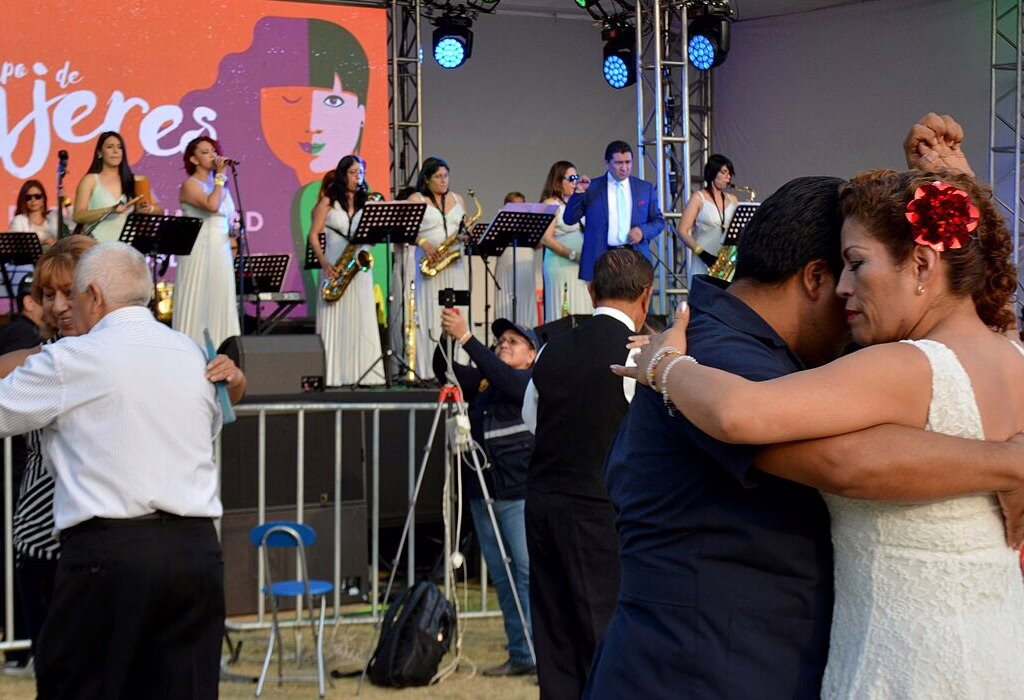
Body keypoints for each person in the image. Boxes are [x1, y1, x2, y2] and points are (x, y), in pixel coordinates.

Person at [629, 167, 1024, 698]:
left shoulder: (906, 366)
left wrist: (666, 366)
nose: (844, 287)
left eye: (857, 265)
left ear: (923, 264)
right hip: (999, 648)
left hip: (909, 662)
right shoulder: (1011, 354)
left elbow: (742, 414)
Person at [0, 241, 244, 699]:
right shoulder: (192, 354)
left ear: (93, 296)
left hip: (108, 555)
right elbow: (213, 423)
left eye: (73, 296)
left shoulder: (72, 359)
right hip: (195, 553)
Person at [521, 249, 652, 699]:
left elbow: (532, 420)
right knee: (604, 633)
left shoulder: (551, 348)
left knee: (554, 636)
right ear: (647, 296)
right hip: (598, 508)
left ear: (592, 291)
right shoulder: (637, 356)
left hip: (541, 503)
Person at [433, 310, 537, 677]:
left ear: (531, 355)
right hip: (482, 492)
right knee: (503, 578)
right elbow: (445, 370)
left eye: (513, 342)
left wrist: (467, 338)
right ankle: (522, 654)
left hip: (517, 492)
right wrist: (448, 335)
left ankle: (541, 653)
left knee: (526, 574)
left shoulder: (528, 380)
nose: (504, 345)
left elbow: (505, 378)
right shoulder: (485, 381)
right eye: (500, 341)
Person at [309, 155, 384, 386]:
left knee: (360, 319)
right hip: (334, 267)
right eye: (353, 172)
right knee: (337, 320)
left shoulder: (368, 203)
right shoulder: (328, 203)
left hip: (359, 270)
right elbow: (313, 234)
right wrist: (324, 262)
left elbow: (373, 237)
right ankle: (334, 375)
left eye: (361, 172)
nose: (358, 177)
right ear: (343, 175)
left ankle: (364, 374)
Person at [562, 140, 664, 281]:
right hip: (602, 258)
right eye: (618, 163)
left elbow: (658, 221)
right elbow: (569, 219)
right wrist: (579, 193)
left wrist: (642, 231)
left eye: (628, 162)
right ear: (607, 164)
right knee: (604, 302)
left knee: (636, 301)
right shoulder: (592, 188)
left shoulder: (644, 188)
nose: (624, 168)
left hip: (635, 256)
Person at [175, 135, 241, 350]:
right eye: (205, 152)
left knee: (220, 299)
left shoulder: (219, 185)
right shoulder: (190, 185)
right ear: (193, 160)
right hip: (199, 249)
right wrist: (221, 177)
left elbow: (227, 215)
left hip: (221, 249)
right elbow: (212, 206)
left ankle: (225, 351)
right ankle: (191, 351)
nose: (213, 155)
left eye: (213, 150)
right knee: (198, 300)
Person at [409, 157, 470, 380]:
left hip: (455, 264)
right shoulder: (417, 198)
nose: (444, 181)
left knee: (457, 313)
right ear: (426, 179)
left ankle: (458, 368)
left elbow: (465, 225)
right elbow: (405, 230)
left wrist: (465, 236)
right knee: (431, 315)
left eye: (446, 175)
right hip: (430, 265)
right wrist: (424, 243)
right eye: (438, 176)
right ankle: (429, 370)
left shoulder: (458, 199)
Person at [72, 131, 163, 242]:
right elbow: (78, 216)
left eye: (119, 147)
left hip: (129, 247)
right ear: (99, 152)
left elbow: (160, 210)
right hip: (98, 247)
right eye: (110, 147)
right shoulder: (90, 180)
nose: (115, 151)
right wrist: (110, 210)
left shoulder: (134, 180)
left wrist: (150, 209)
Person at [540, 161, 592, 320]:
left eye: (576, 177)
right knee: (565, 308)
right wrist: (571, 254)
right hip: (561, 265)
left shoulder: (578, 203)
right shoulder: (550, 204)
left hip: (581, 265)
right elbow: (546, 238)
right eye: (571, 178)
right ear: (558, 181)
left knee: (583, 306)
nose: (575, 181)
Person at [677, 154, 738, 285]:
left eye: (730, 173)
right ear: (713, 173)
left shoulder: (733, 200)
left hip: (726, 261)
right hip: (704, 258)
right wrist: (702, 254)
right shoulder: (698, 198)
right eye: (724, 172)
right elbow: (682, 230)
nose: (729, 177)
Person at [493, 191, 539, 328]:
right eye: (515, 206)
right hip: (508, 263)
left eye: (522, 206)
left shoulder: (530, 223)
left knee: (526, 299)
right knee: (507, 298)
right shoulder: (502, 222)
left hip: (526, 265)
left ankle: (527, 332)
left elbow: (539, 244)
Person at [9, 180, 63, 248]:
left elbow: (73, 224)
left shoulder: (53, 218)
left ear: (43, 199)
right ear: (24, 201)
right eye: (28, 198)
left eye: (37, 196)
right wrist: (42, 243)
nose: (33, 200)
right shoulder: (19, 221)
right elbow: (16, 246)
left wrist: (66, 200)